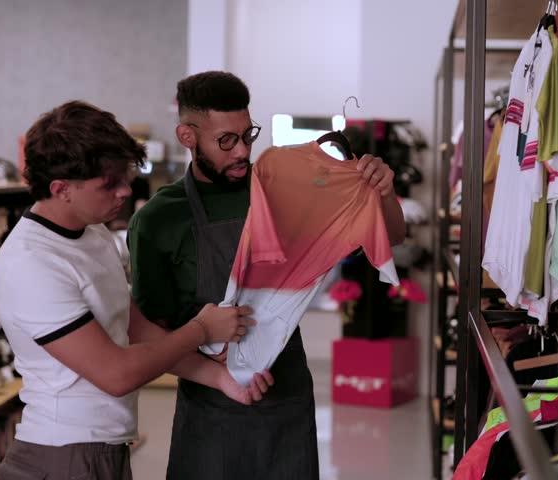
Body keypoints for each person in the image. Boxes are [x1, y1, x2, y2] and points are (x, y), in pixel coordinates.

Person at [128, 71, 406, 479]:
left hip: (287, 394)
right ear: (187, 136)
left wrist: (383, 192)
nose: (242, 151)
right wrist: (219, 377)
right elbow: (147, 337)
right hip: (210, 406)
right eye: (226, 140)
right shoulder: (160, 220)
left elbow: (391, 236)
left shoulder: (279, 186)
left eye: (248, 135)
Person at [0, 100, 274, 480]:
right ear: (61, 189)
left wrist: (219, 378)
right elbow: (116, 373)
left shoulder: (93, 233)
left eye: (126, 177)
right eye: (109, 184)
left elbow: (138, 331)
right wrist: (201, 330)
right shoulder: (32, 264)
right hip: (64, 455)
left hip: (104, 450)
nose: (125, 191)